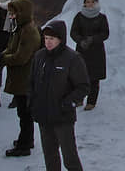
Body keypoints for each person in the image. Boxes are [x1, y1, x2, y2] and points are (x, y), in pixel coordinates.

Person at [29, 20, 89, 171]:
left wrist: (67, 103)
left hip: (63, 117)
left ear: (60, 39)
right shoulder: (39, 56)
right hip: (44, 116)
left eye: (52, 39)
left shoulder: (72, 58)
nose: (48, 42)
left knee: (70, 158)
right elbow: (31, 83)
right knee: (50, 156)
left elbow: (83, 87)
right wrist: (32, 103)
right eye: (46, 38)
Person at [1, 0, 41, 157]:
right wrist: (0, 55)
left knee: (25, 113)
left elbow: (21, 57)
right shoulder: (21, 28)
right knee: (23, 112)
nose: (11, 16)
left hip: (26, 78)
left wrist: (3, 59)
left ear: (22, 13)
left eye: (13, 13)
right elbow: (12, 47)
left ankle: (24, 145)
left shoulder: (28, 31)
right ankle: (26, 139)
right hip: (21, 77)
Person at [70, 0, 110, 110]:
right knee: (79, 76)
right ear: (84, 4)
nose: (90, 4)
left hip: (96, 51)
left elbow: (105, 33)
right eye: (88, 2)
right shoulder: (79, 16)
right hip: (82, 51)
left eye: (93, 2)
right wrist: (81, 41)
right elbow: (74, 32)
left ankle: (91, 101)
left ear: (96, 3)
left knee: (94, 78)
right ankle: (79, 98)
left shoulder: (101, 17)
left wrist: (93, 39)